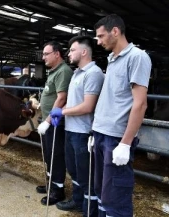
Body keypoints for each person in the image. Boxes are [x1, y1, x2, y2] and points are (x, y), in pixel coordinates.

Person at [92, 14, 152, 217]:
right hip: (102, 133)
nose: (98, 42)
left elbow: (140, 103)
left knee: (116, 196)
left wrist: (125, 143)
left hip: (116, 138)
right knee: (102, 191)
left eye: (101, 36)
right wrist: (96, 130)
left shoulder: (137, 57)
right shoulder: (112, 59)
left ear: (115, 31)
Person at [50, 36, 104, 216]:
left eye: (72, 50)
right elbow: (73, 102)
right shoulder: (76, 74)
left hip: (83, 133)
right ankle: (78, 201)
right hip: (71, 130)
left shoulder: (93, 73)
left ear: (84, 51)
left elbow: (88, 106)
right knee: (74, 170)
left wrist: (62, 112)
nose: (69, 53)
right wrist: (60, 110)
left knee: (86, 173)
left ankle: (90, 210)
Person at [36, 41, 73, 206]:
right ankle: (51, 184)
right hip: (48, 121)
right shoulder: (53, 71)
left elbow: (62, 98)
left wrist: (48, 121)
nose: (43, 57)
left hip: (56, 123)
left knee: (56, 156)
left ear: (57, 54)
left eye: (46, 54)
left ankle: (58, 191)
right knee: (49, 155)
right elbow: (50, 94)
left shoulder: (63, 71)